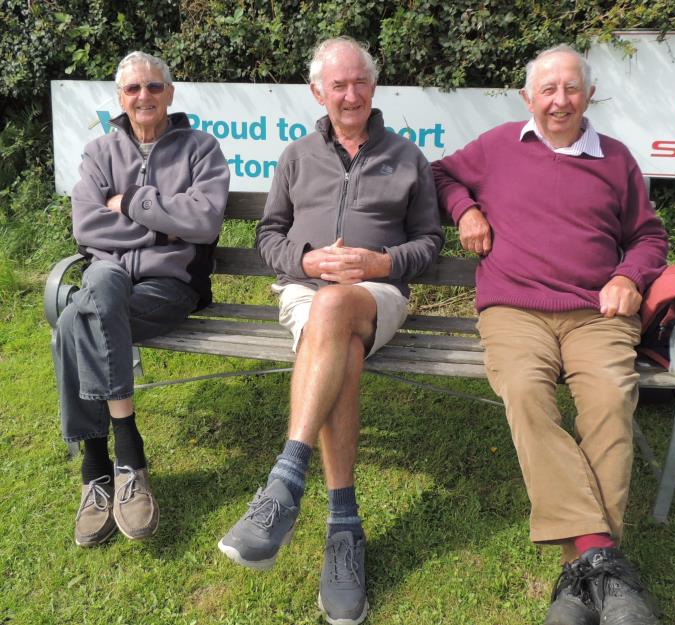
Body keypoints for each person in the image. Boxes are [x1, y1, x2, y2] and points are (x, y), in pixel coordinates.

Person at [432, 44, 667, 625]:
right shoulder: (496, 148)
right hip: (514, 308)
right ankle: (602, 560)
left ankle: (576, 581)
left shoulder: (616, 159)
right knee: (525, 392)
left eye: (571, 89)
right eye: (548, 89)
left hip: (596, 311)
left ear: (589, 95)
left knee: (611, 399)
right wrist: (466, 211)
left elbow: (649, 237)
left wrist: (629, 275)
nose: (559, 100)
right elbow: (440, 174)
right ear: (527, 98)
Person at [217, 36, 442, 625]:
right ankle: (344, 525)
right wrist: (308, 261)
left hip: (379, 295)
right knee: (333, 327)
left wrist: (382, 263)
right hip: (305, 293)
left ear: (374, 87)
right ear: (318, 91)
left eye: (359, 83)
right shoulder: (296, 156)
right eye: (337, 85)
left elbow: (430, 242)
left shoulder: (406, 155)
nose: (349, 94)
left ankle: (285, 483)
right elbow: (269, 237)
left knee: (339, 309)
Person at [53, 51, 229, 547]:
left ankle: (97, 468)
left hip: (169, 289)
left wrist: (130, 204)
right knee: (99, 290)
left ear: (170, 94)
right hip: (111, 278)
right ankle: (125, 460)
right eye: (133, 89)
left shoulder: (200, 148)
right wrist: (162, 231)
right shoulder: (98, 152)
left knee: (75, 320)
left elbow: (204, 221)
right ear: (120, 98)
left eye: (154, 87)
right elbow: (86, 225)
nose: (144, 96)